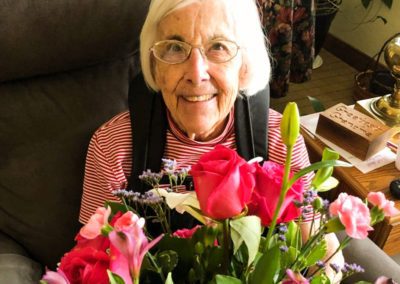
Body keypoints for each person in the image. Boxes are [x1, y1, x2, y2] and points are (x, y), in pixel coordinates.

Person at [79, 0, 344, 281]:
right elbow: (95, 260)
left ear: (244, 63)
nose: (196, 74)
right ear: (155, 65)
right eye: (174, 47)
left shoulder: (280, 141)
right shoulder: (113, 146)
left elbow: (321, 251)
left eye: (218, 47)